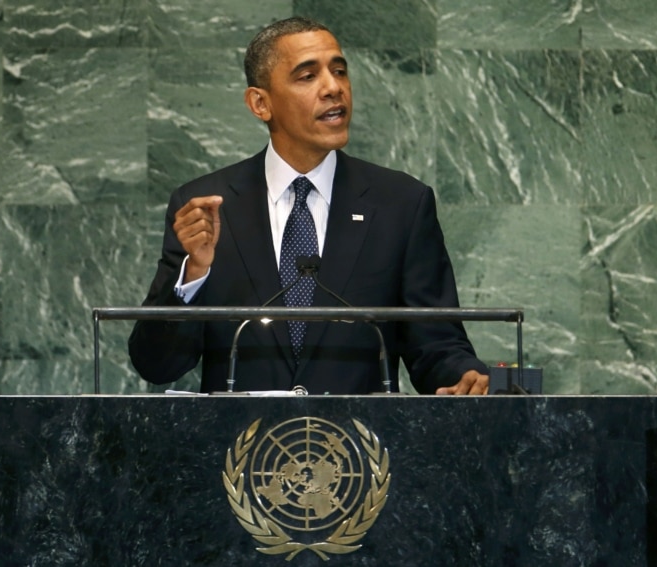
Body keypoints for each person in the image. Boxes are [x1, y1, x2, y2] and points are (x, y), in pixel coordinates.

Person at [128, 16, 489, 395]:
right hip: (241, 448)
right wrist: (194, 272)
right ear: (260, 103)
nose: (334, 88)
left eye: (340, 71)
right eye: (307, 76)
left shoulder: (400, 204)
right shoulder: (206, 206)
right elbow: (156, 364)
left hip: (356, 448)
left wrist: (462, 377)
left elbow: (436, 344)